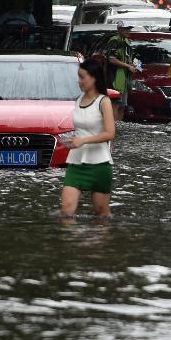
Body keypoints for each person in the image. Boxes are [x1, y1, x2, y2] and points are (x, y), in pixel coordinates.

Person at [61, 57, 116, 220]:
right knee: (66, 211)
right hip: (76, 163)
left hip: (99, 164)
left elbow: (110, 134)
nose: (79, 81)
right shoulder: (78, 100)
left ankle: (100, 237)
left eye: (82, 77)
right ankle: (72, 237)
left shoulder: (104, 102)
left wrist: (83, 141)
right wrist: (73, 139)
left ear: (94, 78)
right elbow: (82, 129)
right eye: (78, 77)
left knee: (101, 214)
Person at [105, 22, 140, 120]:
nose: (128, 31)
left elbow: (130, 58)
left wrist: (135, 65)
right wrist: (128, 66)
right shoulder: (114, 41)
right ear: (119, 29)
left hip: (125, 79)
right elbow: (112, 59)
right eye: (126, 29)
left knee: (122, 106)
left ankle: (118, 126)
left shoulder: (127, 41)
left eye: (129, 29)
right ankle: (112, 125)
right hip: (115, 78)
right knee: (115, 104)